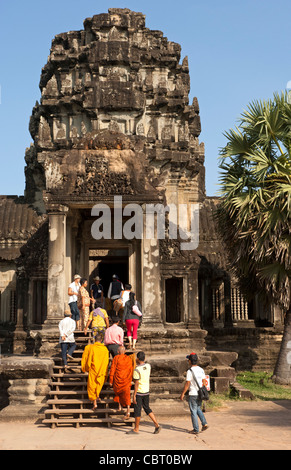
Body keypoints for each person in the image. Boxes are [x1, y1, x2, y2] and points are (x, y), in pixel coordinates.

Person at [127, 351, 161, 435]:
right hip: (146, 391)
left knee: (137, 410)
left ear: (137, 359)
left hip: (139, 392)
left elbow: (136, 383)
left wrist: (134, 395)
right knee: (147, 408)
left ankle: (136, 429)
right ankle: (156, 424)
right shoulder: (148, 366)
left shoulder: (137, 370)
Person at [180, 352, 209, 435]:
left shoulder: (190, 371)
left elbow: (187, 384)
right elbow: (204, 382)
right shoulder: (201, 370)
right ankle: (204, 423)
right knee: (198, 408)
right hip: (200, 393)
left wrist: (182, 393)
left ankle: (196, 429)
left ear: (190, 361)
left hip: (193, 393)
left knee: (193, 411)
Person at [81, 332, 109, 411]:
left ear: (94, 340)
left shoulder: (91, 348)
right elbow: (106, 361)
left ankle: (95, 403)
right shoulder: (105, 349)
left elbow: (88, 359)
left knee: (92, 386)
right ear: (101, 340)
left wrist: (85, 368)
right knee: (98, 384)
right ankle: (97, 397)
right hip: (102, 370)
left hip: (93, 370)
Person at [109, 345, 134, 420]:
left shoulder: (116, 358)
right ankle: (128, 410)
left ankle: (120, 406)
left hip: (118, 380)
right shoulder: (128, 359)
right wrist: (130, 378)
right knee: (127, 395)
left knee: (118, 392)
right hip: (126, 380)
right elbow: (131, 370)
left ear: (118, 352)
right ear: (125, 351)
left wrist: (111, 380)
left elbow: (112, 370)